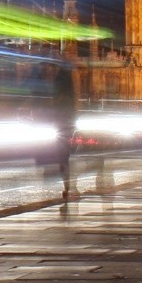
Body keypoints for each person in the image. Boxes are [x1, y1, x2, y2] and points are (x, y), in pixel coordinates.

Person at [52, 63, 79, 196]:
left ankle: (67, 185)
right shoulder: (68, 90)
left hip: (61, 123)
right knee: (65, 156)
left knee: (63, 157)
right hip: (66, 123)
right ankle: (67, 184)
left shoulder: (58, 84)